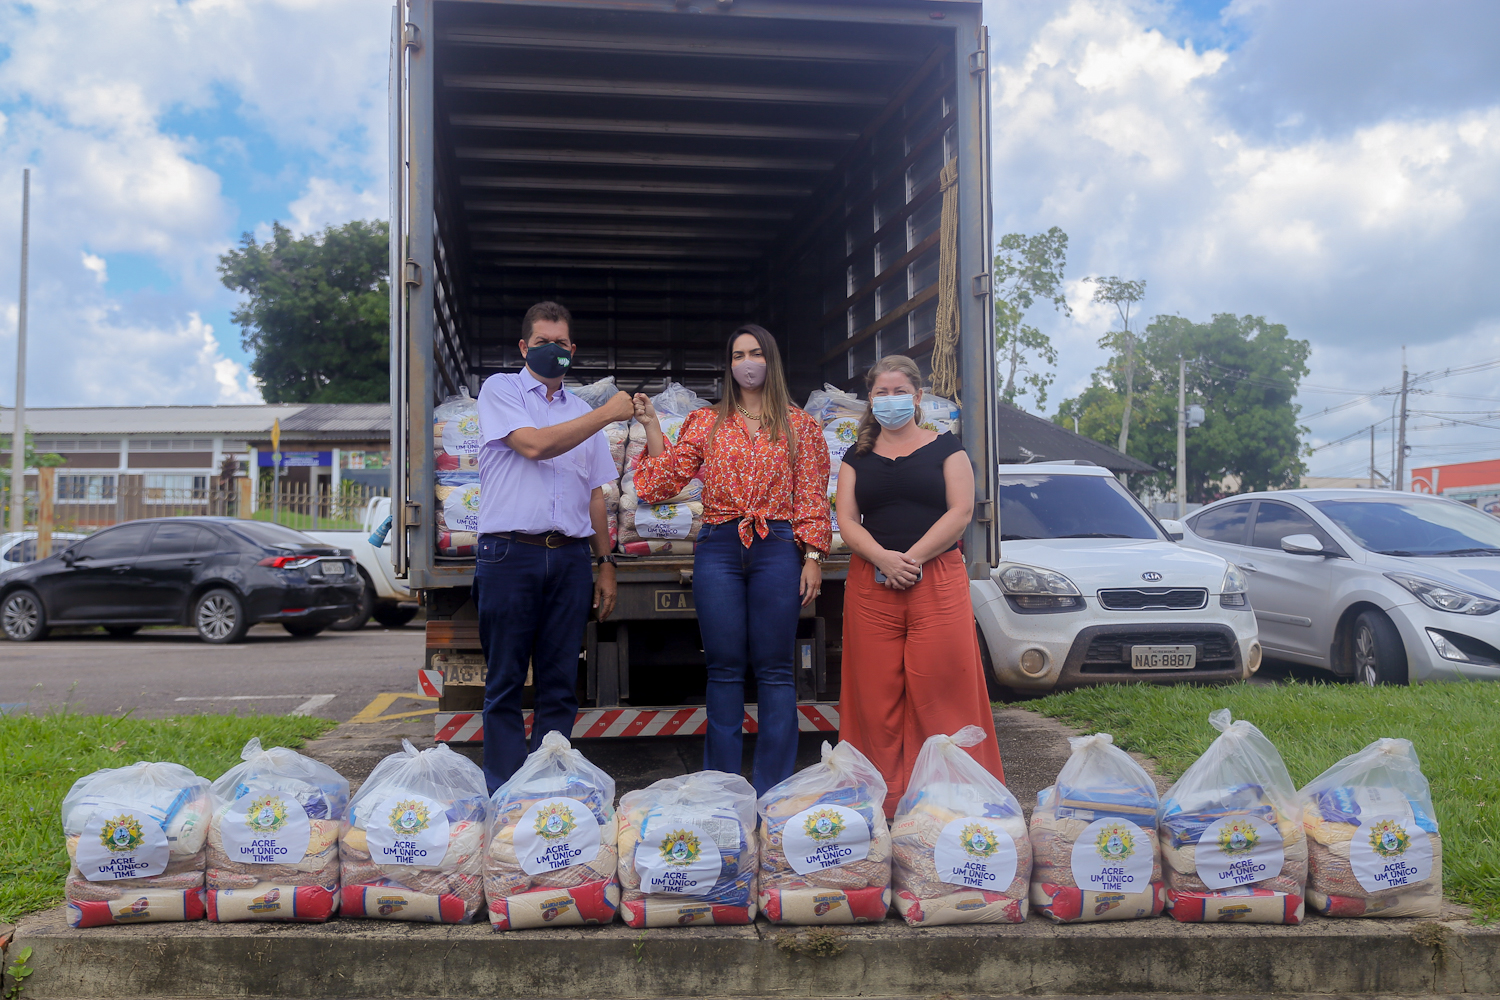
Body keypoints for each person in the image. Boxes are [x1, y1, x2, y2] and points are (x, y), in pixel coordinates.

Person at [631, 324, 830, 795]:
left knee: (777, 669)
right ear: (729, 364)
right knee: (722, 668)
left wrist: (814, 555)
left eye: (756, 352)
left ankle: (772, 790)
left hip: (777, 544)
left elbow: (813, 494)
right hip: (719, 543)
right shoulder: (706, 421)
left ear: (771, 359)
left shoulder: (800, 425)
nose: (747, 361)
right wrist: (653, 427)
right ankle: (722, 789)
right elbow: (660, 482)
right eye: (738, 354)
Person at [473, 300, 636, 792]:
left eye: (561, 343)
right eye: (542, 342)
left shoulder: (581, 412)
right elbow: (534, 445)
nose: (552, 350)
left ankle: (548, 794)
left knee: (560, 683)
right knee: (504, 682)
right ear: (524, 347)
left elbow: (594, 496)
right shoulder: (500, 390)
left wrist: (605, 562)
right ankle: (503, 794)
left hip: (567, 558)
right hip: (508, 553)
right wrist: (609, 413)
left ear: (572, 351)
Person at [834, 354, 1004, 817]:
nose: (891, 400)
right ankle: (881, 805)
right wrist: (883, 558)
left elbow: (961, 512)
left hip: (937, 581)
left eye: (899, 392)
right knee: (874, 699)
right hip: (872, 584)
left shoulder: (947, 449)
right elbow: (847, 520)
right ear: (870, 400)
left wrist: (911, 559)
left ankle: (956, 804)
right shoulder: (856, 456)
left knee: (944, 693)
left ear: (917, 396)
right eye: (881, 393)